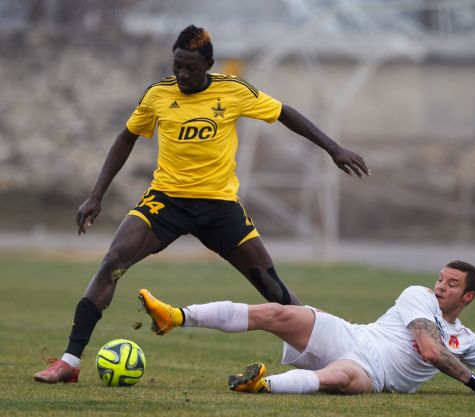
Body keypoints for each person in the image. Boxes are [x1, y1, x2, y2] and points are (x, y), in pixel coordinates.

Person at [33, 25, 369, 383]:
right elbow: (126, 137)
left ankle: (333, 356)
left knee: (272, 287)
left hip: (220, 207)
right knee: (113, 261)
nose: (182, 74)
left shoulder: (233, 90)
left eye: (191, 68)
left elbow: (285, 112)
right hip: (166, 202)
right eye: (177, 66)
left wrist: (333, 148)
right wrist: (96, 194)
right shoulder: (159, 94)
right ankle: (69, 361)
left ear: (208, 63)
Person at [137, 260, 475, 395]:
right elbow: (430, 351)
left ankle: (261, 385)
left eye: (452, 285)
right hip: (352, 335)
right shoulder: (419, 295)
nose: (440, 286)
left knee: (335, 378)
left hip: (375, 374)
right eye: (440, 278)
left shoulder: (467, 341)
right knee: (279, 313)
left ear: (468, 297)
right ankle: (175, 316)